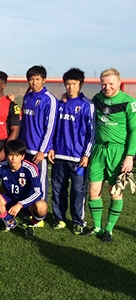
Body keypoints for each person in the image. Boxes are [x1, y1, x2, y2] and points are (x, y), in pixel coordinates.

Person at [82, 68, 136, 242]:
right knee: (93, 191)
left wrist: (129, 156)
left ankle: (109, 229)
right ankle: (97, 227)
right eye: (104, 83)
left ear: (119, 83)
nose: (107, 87)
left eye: (111, 83)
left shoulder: (129, 102)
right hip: (98, 150)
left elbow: (134, 131)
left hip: (117, 152)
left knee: (114, 192)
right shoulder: (97, 99)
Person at [47, 68, 94, 235]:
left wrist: (86, 154)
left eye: (74, 84)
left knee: (78, 190)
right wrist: (51, 147)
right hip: (59, 155)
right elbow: (52, 128)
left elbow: (91, 133)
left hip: (78, 158)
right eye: (67, 84)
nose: (70, 87)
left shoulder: (87, 106)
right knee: (58, 188)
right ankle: (59, 219)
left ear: (80, 84)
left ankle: (78, 221)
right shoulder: (60, 104)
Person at [0, 140, 48, 237]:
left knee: (42, 206)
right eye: (11, 155)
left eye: (17, 155)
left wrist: (20, 204)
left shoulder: (30, 168)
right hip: (9, 200)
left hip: (26, 203)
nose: (13, 158)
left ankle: (31, 224)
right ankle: (7, 219)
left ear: (22, 156)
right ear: (6, 156)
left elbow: (38, 192)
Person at [19, 65, 57, 197]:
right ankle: (27, 209)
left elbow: (50, 127)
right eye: (31, 79)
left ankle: (39, 214)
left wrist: (43, 151)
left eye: (37, 79)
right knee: (25, 180)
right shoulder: (27, 97)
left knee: (39, 182)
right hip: (25, 148)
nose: (34, 82)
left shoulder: (49, 99)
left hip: (38, 150)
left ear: (44, 80)